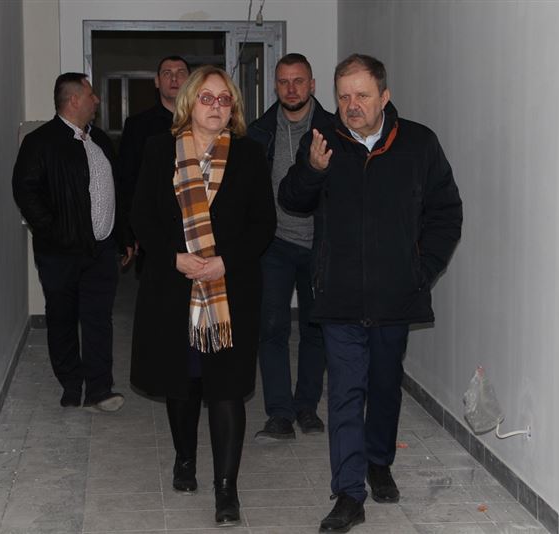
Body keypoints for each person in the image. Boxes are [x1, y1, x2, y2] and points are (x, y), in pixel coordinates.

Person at [279, 54, 463, 532]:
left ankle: (379, 462)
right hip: (339, 296)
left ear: (384, 96)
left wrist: (420, 271)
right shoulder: (322, 140)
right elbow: (291, 199)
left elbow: (446, 212)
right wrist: (312, 170)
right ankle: (348, 494)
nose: (351, 105)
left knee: (384, 386)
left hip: (394, 296)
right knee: (344, 393)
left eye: (362, 95)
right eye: (343, 96)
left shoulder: (419, 144)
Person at [130, 66, 276, 527]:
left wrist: (224, 262)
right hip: (173, 288)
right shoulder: (160, 150)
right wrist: (174, 257)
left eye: (225, 99)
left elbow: (263, 224)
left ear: (234, 108)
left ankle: (226, 490)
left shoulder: (250, 154)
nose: (216, 106)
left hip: (230, 290)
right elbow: (142, 215)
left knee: (227, 388)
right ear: (190, 102)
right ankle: (185, 458)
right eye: (207, 98)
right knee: (184, 382)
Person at [12, 73, 134, 412]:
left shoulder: (101, 140)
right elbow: (25, 190)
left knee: (98, 319)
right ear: (74, 99)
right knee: (62, 318)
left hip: (102, 249)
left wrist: (124, 235)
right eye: (91, 95)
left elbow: (116, 192)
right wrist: (53, 232)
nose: (97, 101)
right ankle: (71, 384)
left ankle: (99, 389)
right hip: (60, 252)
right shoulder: (40, 142)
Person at [247, 53, 333, 442]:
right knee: (272, 328)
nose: (291, 88)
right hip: (275, 245)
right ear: (275, 86)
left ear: (312, 85)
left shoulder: (334, 131)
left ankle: (306, 407)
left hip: (320, 245)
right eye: (284, 81)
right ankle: (279, 414)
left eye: (299, 81)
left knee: (316, 329)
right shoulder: (259, 132)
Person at [118, 56, 190, 228]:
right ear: (157, 82)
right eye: (167, 73)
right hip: (153, 221)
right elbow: (127, 179)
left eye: (180, 73)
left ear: (191, 81)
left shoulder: (203, 122)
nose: (174, 79)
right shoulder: (137, 125)